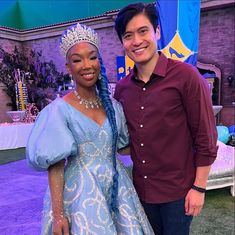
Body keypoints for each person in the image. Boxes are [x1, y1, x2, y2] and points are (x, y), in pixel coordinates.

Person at [26, 23, 154, 235]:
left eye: (92, 57)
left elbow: (123, 147)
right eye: (77, 60)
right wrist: (58, 215)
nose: (87, 65)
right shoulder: (59, 111)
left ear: (99, 61)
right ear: (68, 67)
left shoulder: (113, 106)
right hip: (81, 195)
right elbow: (56, 166)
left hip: (118, 188)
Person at [114, 3, 218, 235]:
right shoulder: (122, 89)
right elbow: (124, 140)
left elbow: (206, 137)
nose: (137, 41)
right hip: (140, 191)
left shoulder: (185, 77)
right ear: (123, 42)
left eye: (143, 31)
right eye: (128, 35)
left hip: (177, 192)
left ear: (157, 32)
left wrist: (199, 188)